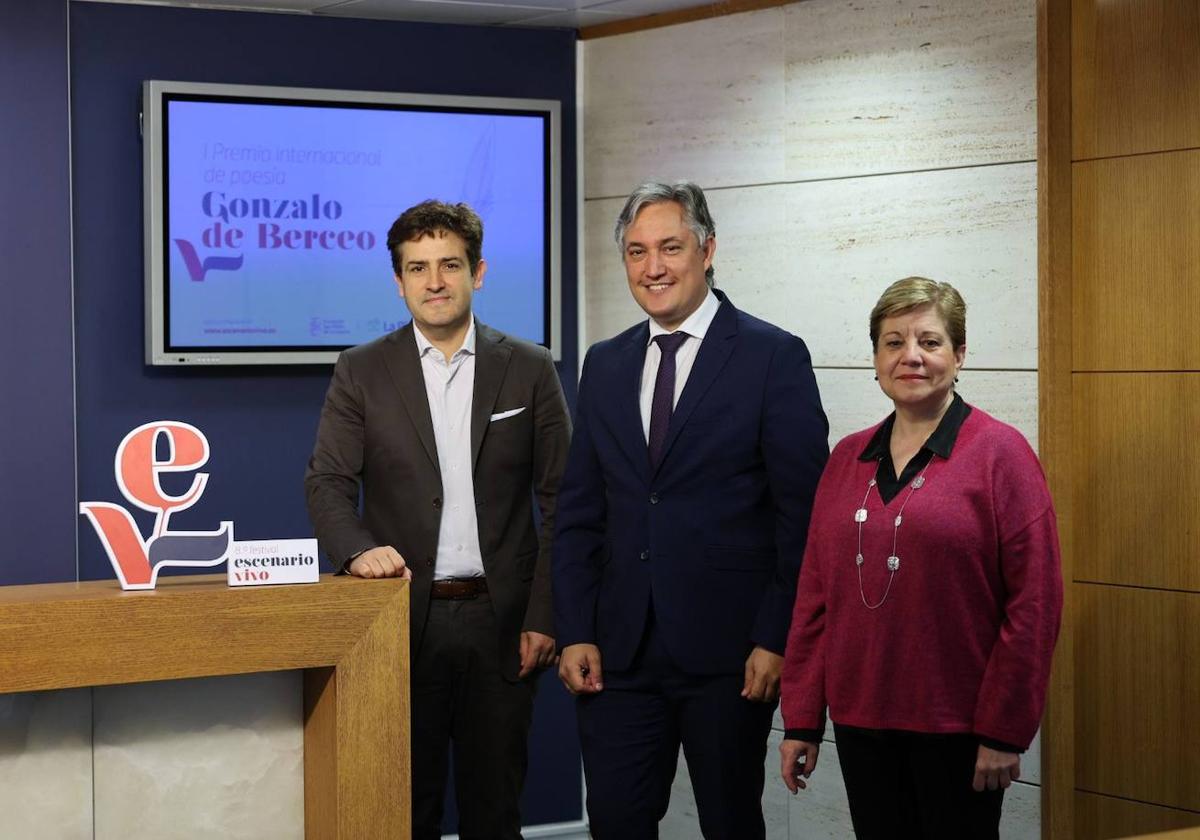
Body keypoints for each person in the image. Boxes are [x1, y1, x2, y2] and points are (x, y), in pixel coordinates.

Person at [553, 181, 829, 839]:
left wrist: (776, 636)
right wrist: (575, 628)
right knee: (617, 822)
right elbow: (580, 510)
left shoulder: (772, 356)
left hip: (730, 658)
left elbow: (802, 517)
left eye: (670, 248)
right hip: (618, 652)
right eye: (636, 251)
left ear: (708, 251)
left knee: (730, 823)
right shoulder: (606, 363)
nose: (653, 268)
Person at [304, 200, 571, 840]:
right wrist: (356, 550)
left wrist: (543, 615)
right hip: (398, 622)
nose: (434, 282)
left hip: (500, 625)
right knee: (403, 810)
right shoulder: (361, 369)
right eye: (417, 268)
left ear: (477, 272)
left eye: (449, 265)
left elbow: (565, 499)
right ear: (398, 281)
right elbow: (327, 483)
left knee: (495, 813)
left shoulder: (529, 367)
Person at [778, 277, 1062, 839]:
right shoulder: (846, 458)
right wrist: (802, 719)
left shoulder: (1001, 453)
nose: (911, 356)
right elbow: (814, 597)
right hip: (860, 723)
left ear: (959, 355)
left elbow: (1035, 605)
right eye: (893, 342)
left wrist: (1004, 731)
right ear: (875, 358)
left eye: (930, 342)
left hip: (959, 730)